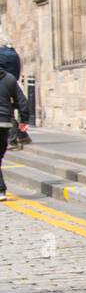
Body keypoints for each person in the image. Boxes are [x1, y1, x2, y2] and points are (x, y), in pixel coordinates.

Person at [0, 66, 30, 199]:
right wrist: (24, 119)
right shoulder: (9, 78)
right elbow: (22, 101)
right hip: (5, 122)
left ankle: (1, 190)